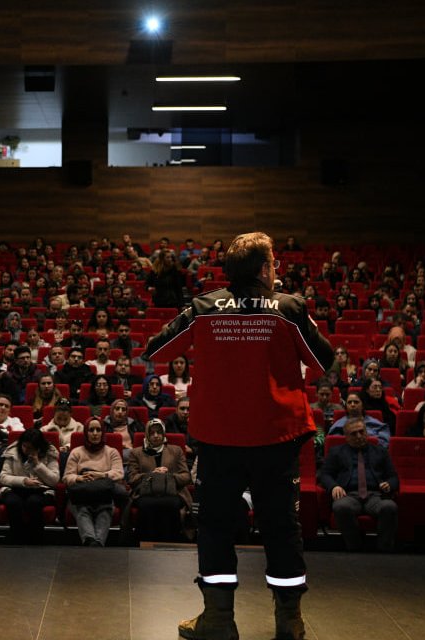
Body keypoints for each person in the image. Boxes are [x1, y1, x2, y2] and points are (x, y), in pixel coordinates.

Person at [145, 232, 333, 640]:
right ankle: (289, 623)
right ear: (265, 269)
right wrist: (290, 311)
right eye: (274, 265)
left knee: (215, 528)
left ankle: (218, 622)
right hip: (276, 440)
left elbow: (155, 350)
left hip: (218, 441)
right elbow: (324, 361)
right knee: (282, 528)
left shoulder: (203, 308)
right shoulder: (289, 308)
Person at [317, 417, 400, 552]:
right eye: (354, 434)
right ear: (346, 437)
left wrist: (389, 484)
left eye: (362, 432)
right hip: (349, 494)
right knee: (340, 506)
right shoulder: (336, 452)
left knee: (389, 507)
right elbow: (325, 475)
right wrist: (334, 486)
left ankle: (385, 549)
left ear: (367, 433)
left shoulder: (380, 451)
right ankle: (355, 547)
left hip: (375, 495)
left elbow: (393, 476)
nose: (359, 436)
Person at [126, 418, 193, 543]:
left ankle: (170, 543)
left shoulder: (176, 450)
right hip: (145, 493)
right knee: (147, 505)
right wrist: (151, 474)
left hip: (173, 492)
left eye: (159, 432)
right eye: (152, 433)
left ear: (164, 433)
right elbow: (131, 479)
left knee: (171, 504)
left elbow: (186, 477)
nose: (156, 436)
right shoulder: (136, 453)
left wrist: (168, 476)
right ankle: (146, 543)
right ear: (146, 434)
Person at [63, 416, 124, 547]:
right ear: (86, 433)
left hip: (103, 495)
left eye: (98, 430)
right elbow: (67, 477)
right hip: (81, 494)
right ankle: (92, 542)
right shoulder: (76, 452)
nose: (95, 434)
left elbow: (119, 473)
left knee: (105, 509)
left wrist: (100, 475)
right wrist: (78, 478)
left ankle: (95, 544)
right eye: (91, 430)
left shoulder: (111, 452)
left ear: (103, 432)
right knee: (82, 509)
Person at [0, 427, 59, 544]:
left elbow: (54, 480)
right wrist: (24, 481)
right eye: (24, 446)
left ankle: (35, 539)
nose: (26, 450)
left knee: (33, 502)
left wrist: (37, 464)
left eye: (30, 448)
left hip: (41, 490)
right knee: (13, 502)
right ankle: (18, 539)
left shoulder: (49, 452)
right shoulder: (13, 451)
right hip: (15, 488)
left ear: (39, 447)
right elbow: (3, 477)